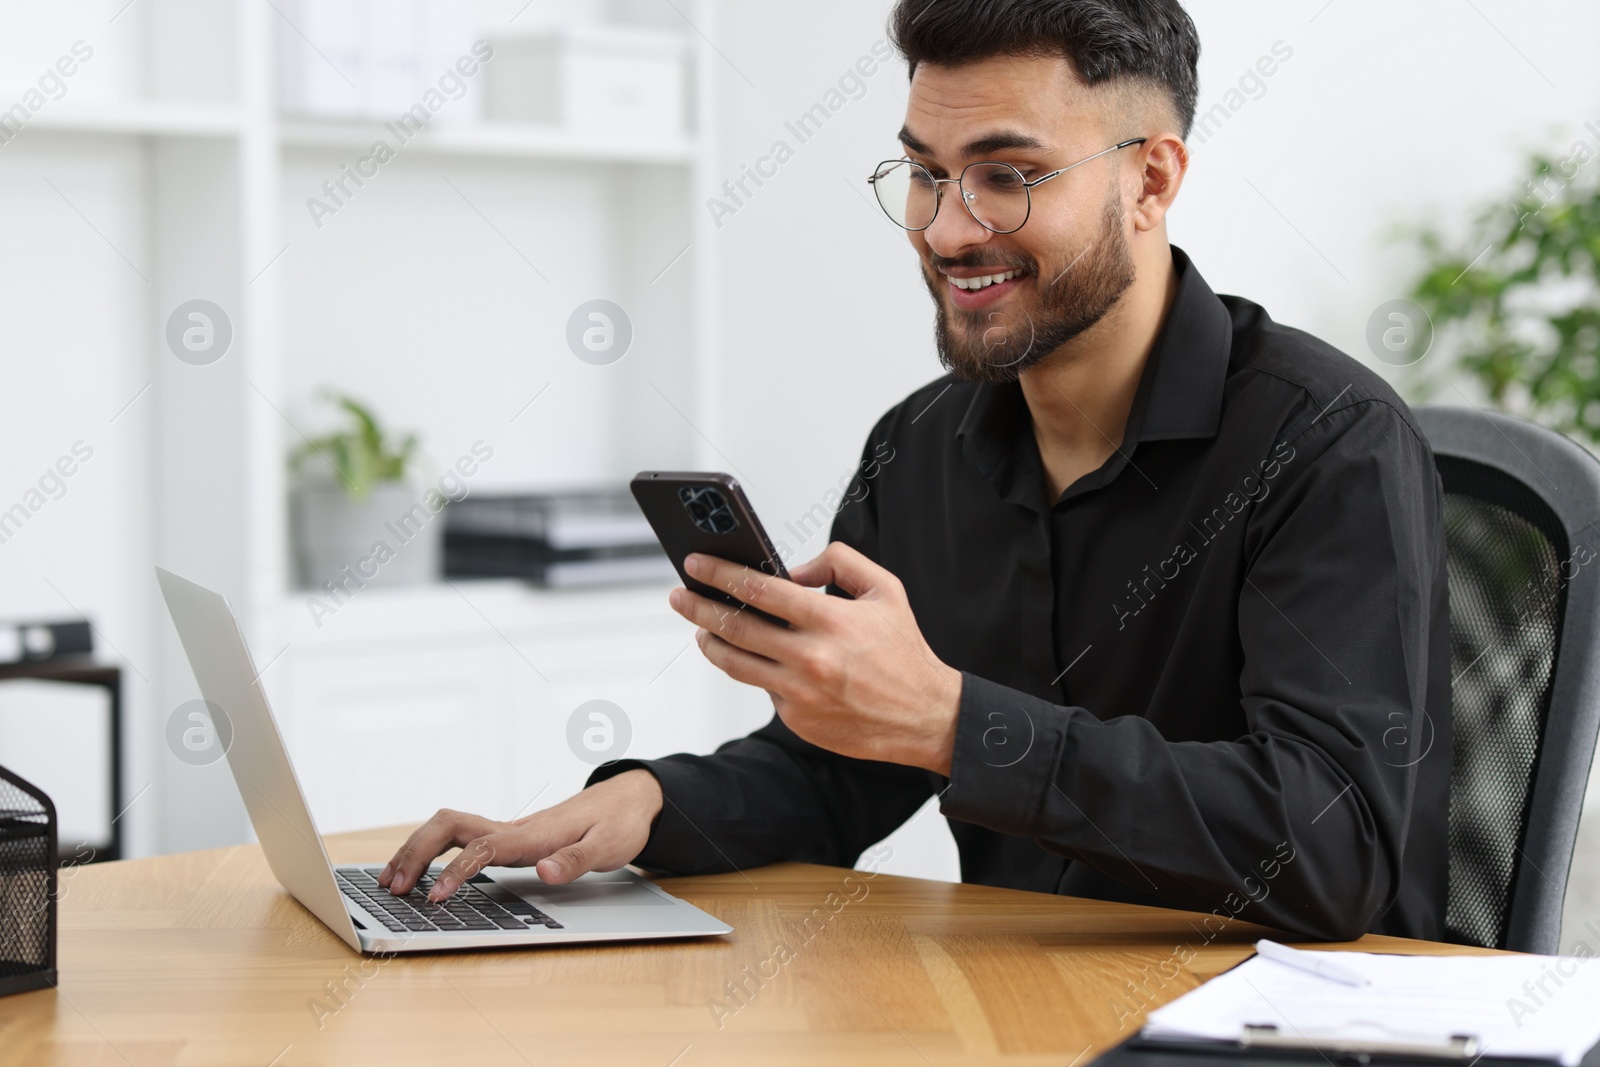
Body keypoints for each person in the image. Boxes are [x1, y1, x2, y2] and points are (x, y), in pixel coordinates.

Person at [380, 0, 1450, 942]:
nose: (946, 229)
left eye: (1009, 176)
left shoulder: (1327, 442)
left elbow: (1332, 847)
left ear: (1150, 179)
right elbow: (841, 771)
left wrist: (951, 718)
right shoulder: (920, 445)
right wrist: (644, 805)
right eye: (928, 174)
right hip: (1019, 1013)